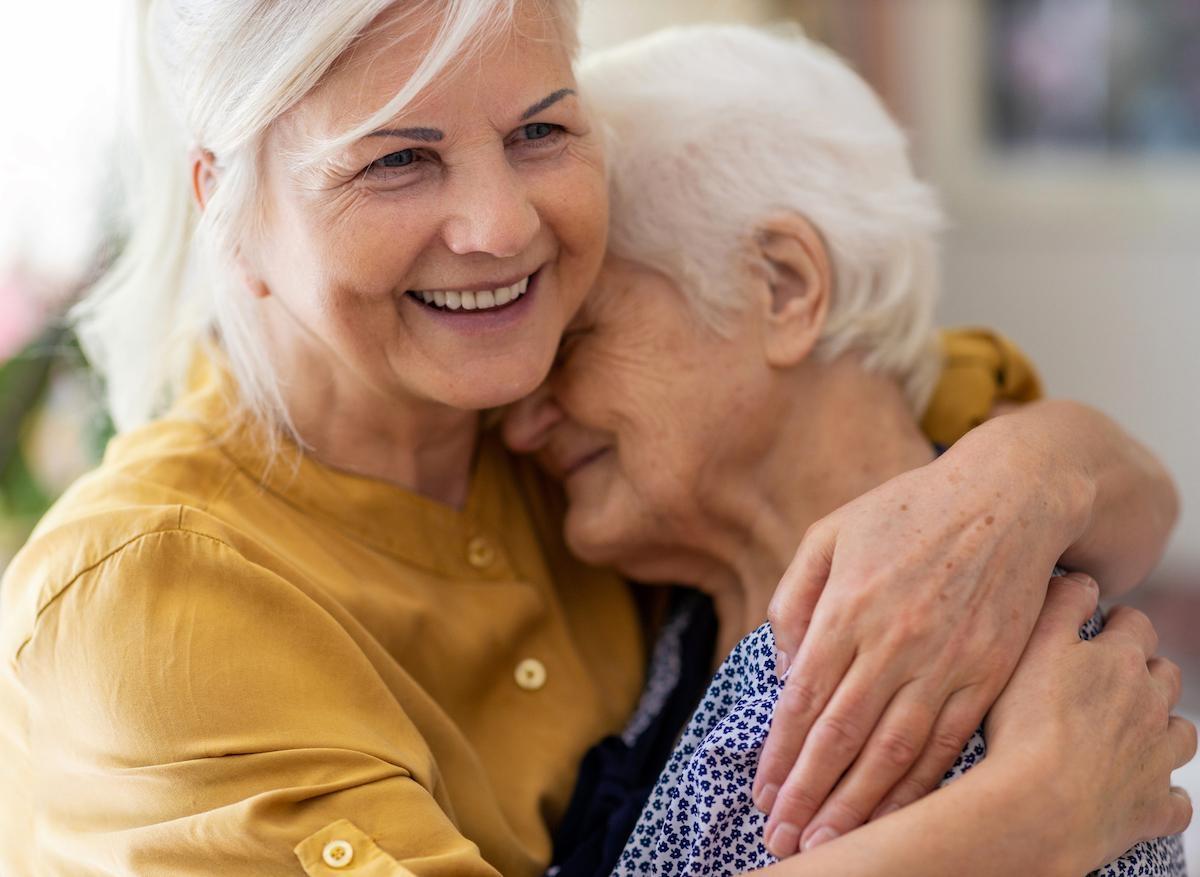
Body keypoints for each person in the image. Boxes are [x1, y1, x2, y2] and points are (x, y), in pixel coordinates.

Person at [0, 3, 1184, 875]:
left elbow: (1049, 458)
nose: (501, 226)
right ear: (227, 200)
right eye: (398, 158)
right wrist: (1030, 821)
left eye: (540, 131)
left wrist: (1023, 483)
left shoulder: (547, 431)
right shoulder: (149, 597)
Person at [502, 24, 1193, 877]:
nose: (518, 421)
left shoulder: (991, 673)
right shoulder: (679, 624)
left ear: (785, 287)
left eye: (573, 340)